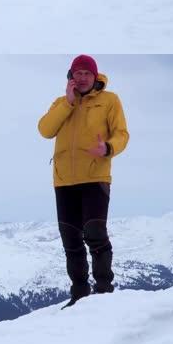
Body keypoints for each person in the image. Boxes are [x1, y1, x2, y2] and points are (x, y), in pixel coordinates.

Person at [37, 54, 130, 308]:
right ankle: (79, 294)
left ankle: (103, 291)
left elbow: (122, 134)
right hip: (64, 180)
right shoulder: (60, 102)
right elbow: (45, 130)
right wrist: (67, 102)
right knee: (70, 239)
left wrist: (108, 148)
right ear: (70, 76)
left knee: (95, 233)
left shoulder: (109, 101)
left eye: (86, 73)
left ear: (95, 75)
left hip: (95, 176)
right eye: (77, 73)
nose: (81, 78)